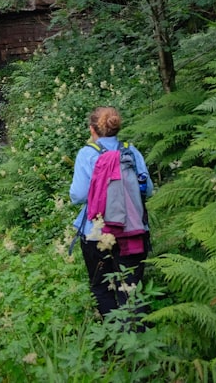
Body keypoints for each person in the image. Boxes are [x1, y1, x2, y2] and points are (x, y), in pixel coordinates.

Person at [70, 106, 154, 320]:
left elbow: (78, 195)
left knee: (102, 287)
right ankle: (136, 337)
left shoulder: (87, 154)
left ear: (92, 130)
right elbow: (149, 190)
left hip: (96, 232)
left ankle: (114, 339)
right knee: (131, 289)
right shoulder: (131, 152)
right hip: (134, 231)